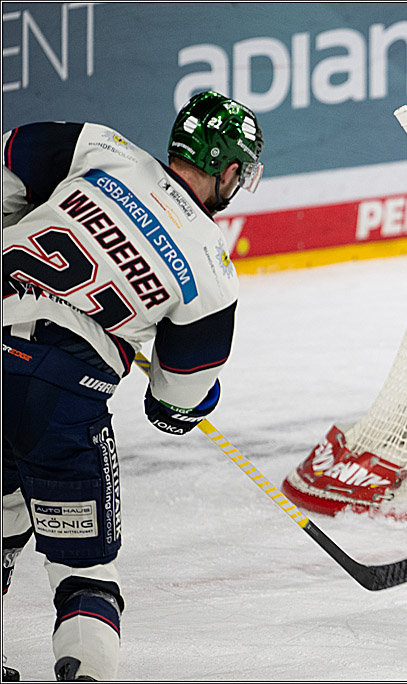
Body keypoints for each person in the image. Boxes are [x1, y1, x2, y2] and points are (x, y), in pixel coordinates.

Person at [2, 91, 262, 681]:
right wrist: (196, 397)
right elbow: (173, 406)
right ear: (227, 170)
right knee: (85, 577)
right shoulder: (212, 273)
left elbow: (9, 160)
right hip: (59, 393)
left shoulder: (101, 147)